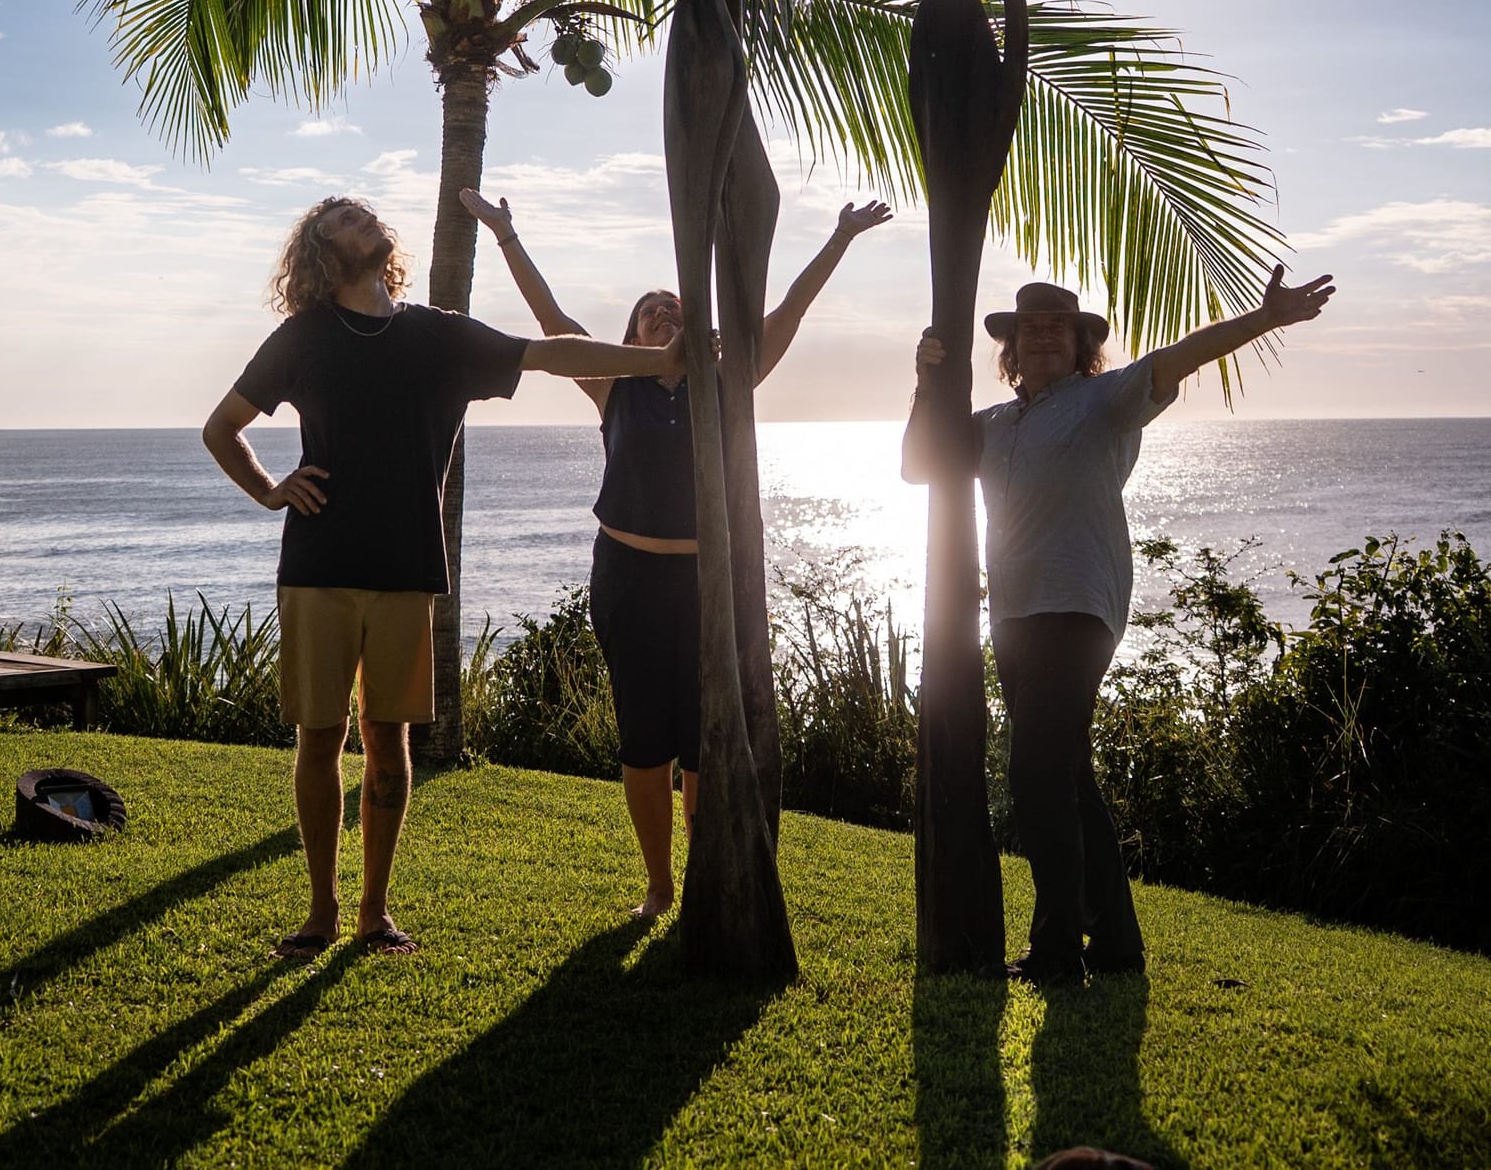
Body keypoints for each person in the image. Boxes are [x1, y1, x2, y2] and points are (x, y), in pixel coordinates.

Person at [202, 195, 686, 960]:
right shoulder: (301, 339)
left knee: (389, 744)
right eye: (345, 222)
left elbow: (550, 351)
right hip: (318, 567)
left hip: (406, 568)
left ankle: (372, 914)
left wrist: (657, 363)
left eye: (366, 215)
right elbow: (221, 429)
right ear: (324, 254)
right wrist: (269, 488)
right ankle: (320, 911)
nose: (366, 223)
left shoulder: (435, 334)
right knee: (319, 739)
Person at [460, 185, 892, 917]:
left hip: (707, 583)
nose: (667, 311)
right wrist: (506, 235)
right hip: (627, 578)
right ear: (631, 334)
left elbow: (787, 314)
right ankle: (658, 886)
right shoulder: (613, 385)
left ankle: (702, 880)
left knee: (705, 741)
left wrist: (840, 238)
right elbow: (552, 319)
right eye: (652, 308)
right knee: (642, 741)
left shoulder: (729, 383)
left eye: (679, 306)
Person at [903, 263, 1335, 984]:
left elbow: (1181, 357)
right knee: (1067, 776)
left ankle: (1056, 952)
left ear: (1080, 347)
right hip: (1013, 614)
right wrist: (926, 382)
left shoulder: (1103, 402)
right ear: (1008, 353)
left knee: (1035, 775)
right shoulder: (996, 426)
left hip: (1078, 608)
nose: (1040, 337)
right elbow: (919, 465)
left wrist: (1265, 319)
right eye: (1027, 329)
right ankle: (1119, 946)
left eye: (1056, 328)